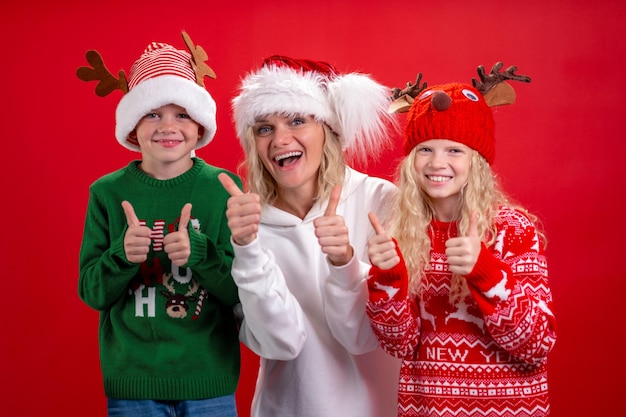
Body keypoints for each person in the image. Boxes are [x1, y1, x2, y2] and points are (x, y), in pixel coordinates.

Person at [365, 63, 558, 417]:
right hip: (428, 408)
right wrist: (387, 280)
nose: (437, 162)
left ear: (477, 161)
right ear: (410, 160)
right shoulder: (404, 234)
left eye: (454, 150)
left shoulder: (512, 229)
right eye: (425, 149)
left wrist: (484, 271)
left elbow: (536, 343)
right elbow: (399, 343)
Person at [217, 55, 402, 417]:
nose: (280, 139)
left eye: (297, 120)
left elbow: (365, 337)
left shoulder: (381, 201)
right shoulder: (246, 223)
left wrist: (344, 261)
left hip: (375, 408)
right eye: (264, 128)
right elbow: (279, 343)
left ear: (328, 129)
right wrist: (247, 249)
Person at [77, 32, 242, 417]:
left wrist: (200, 253)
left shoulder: (222, 189)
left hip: (209, 381)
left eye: (181, 114)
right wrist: (122, 256)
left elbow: (239, 290)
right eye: (153, 113)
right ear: (132, 127)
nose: (168, 126)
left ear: (200, 126)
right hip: (133, 383)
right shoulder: (106, 193)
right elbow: (91, 291)